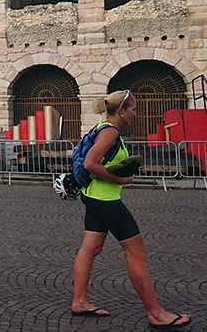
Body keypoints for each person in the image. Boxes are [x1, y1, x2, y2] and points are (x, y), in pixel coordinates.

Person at [72, 90, 191, 330]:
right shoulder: (110, 132)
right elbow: (90, 163)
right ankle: (156, 314)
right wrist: (121, 180)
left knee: (91, 247)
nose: (136, 114)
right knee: (136, 253)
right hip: (106, 199)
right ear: (122, 109)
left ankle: (80, 301)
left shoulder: (103, 128)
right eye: (133, 109)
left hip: (93, 196)